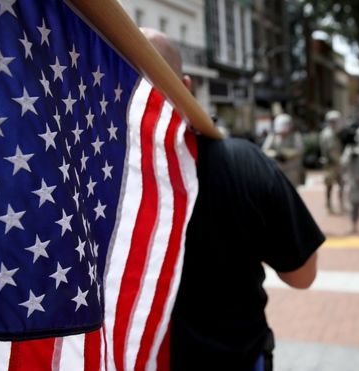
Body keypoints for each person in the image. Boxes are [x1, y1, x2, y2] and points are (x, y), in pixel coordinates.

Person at [141, 29, 324, 370]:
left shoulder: (82, 179)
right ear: (186, 85)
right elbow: (302, 275)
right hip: (236, 358)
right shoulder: (243, 163)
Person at [262, 113, 305, 187]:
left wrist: (286, 154)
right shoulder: (273, 136)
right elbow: (265, 150)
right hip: (277, 169)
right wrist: (276, 154)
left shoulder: (295, 136)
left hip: (292, 170)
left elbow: (300, 150)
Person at [319, 110, 345, 213]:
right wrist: (340, 161)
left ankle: (340, 204)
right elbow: (330, 150)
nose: (334, 123)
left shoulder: (337, 132)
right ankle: (329, 205)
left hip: (337, 162)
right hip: (331, 164)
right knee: (329, 185)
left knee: (341, 184)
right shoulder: (327, 134)